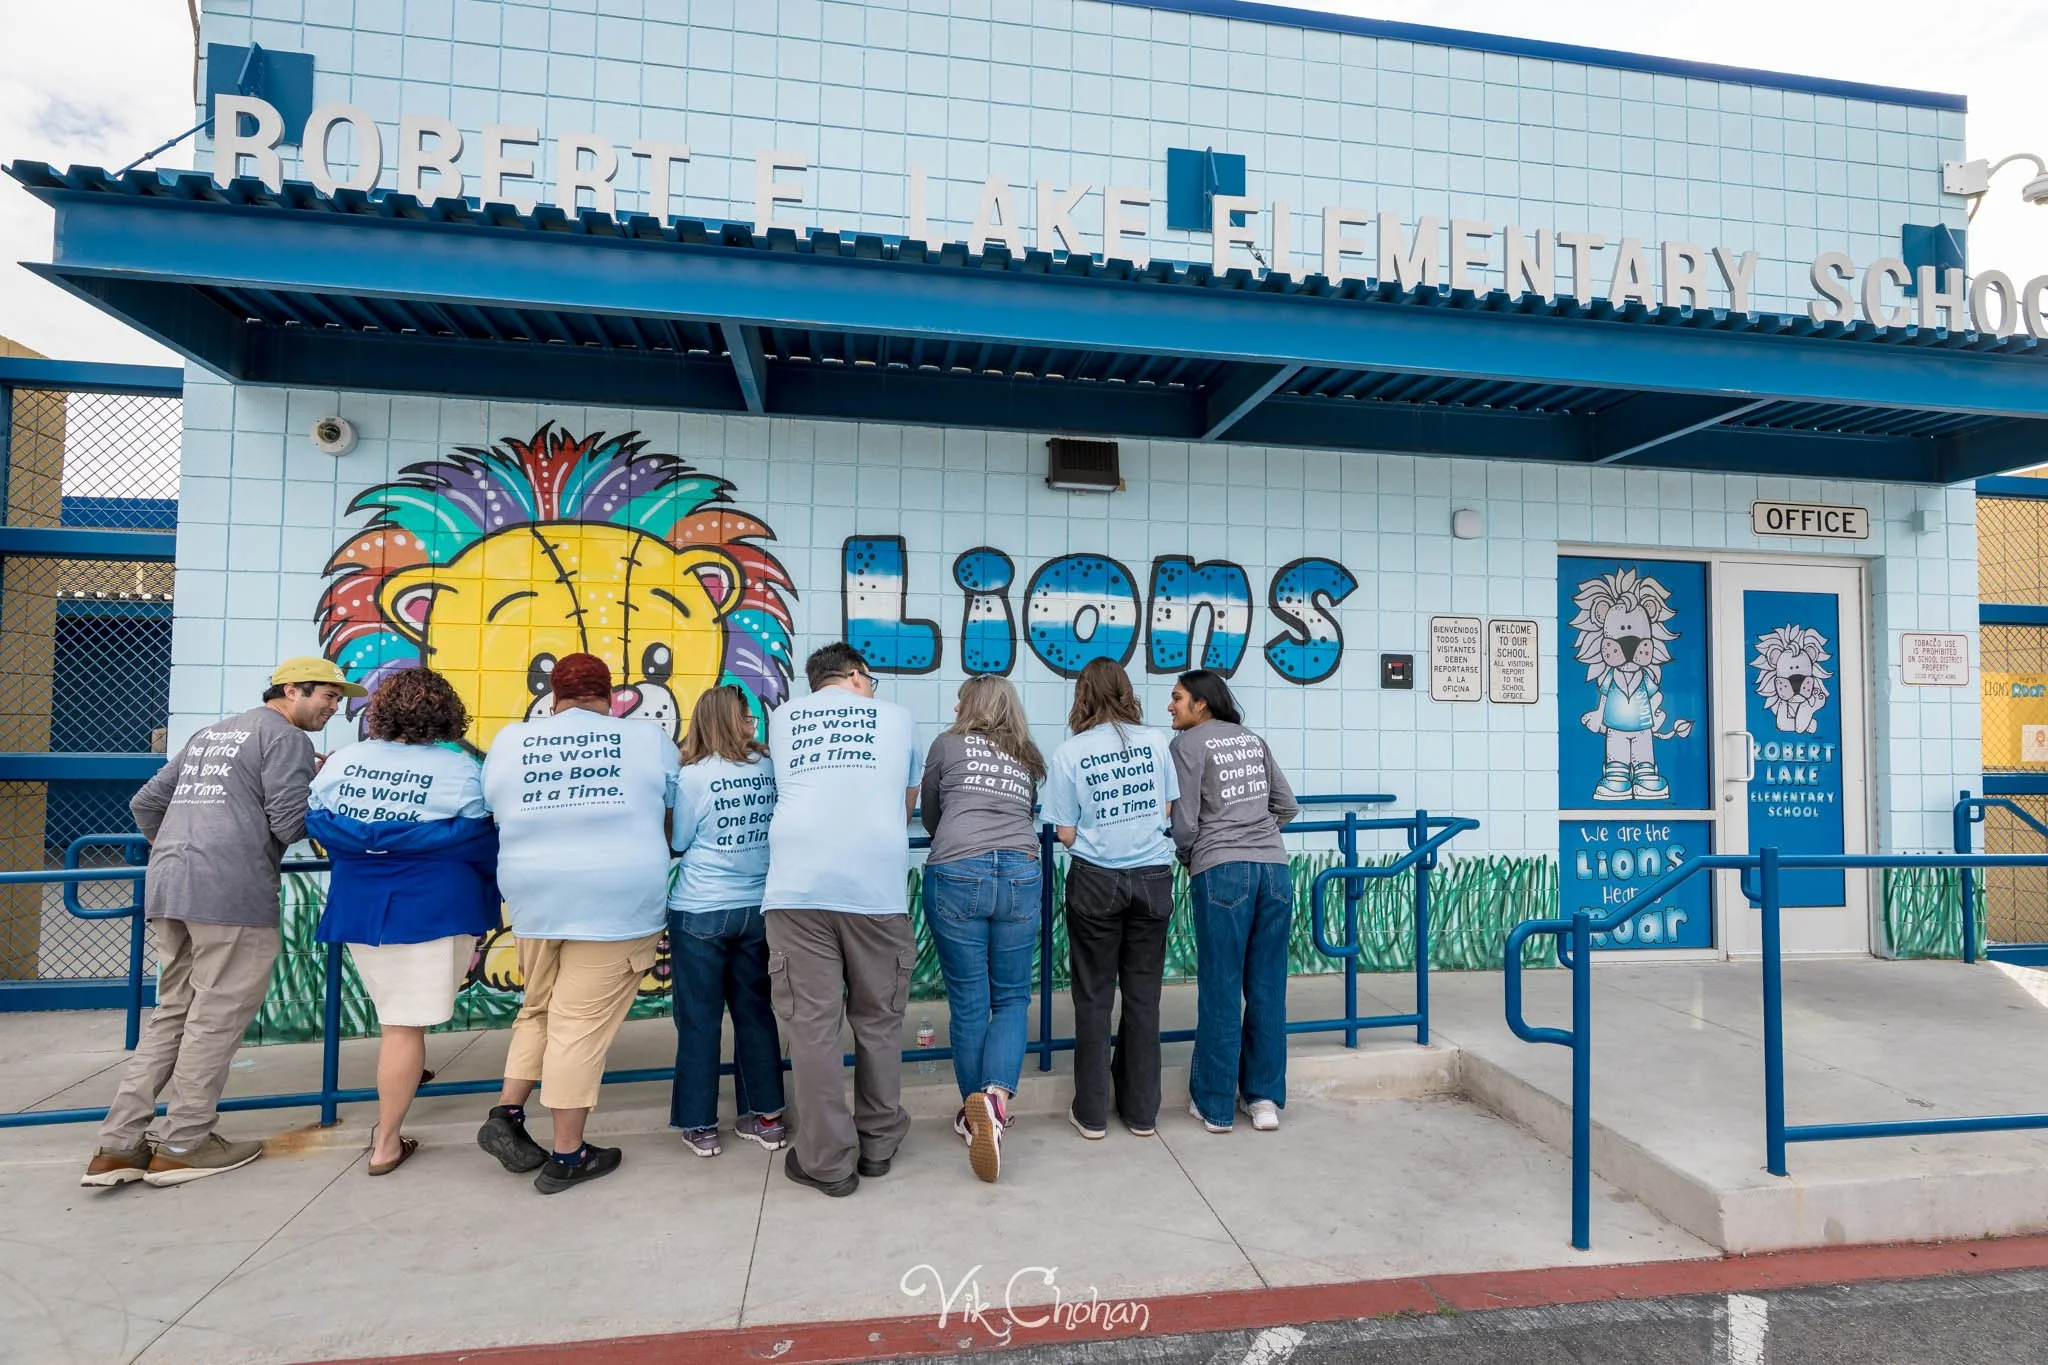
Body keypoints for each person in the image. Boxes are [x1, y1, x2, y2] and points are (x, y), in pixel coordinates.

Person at [81, 657, 359, 1188]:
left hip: (169, 886)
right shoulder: (286, 740)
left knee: (172, 1014)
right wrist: (324, 783)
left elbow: (146, 802)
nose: (335, 706)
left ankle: (118, 1145)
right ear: (292, 689)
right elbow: (289, 822)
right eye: (326, 694)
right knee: (214, 1019)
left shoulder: (214, 733)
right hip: (231, 893)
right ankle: (185, 1143)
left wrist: (184, 848)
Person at [474, 652, 678, 1193]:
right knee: (578, 1027)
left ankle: (508, 1113)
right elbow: (673, 811)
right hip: (615, 903)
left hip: (535, 899)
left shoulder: (511, 741)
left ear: (553, 697)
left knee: (539, 1007)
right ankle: (568, 1154)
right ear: (608, 697)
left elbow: (492, 806)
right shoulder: (647, 739)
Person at [306, 668, 499, 1176]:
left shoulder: (344, 762)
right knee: (403, 1027)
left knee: (396, 1016)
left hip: (362, 908)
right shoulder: (459, 770)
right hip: (435, 908)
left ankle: (396, 1113)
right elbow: (481, 838)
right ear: (446, 712)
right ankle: (386, 1141)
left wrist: (377, 843)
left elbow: (319, 820)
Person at [763, 642, 921, 1198]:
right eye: (869, 679)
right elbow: (904, 805)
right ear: (855, 676)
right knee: (878, 1020)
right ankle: (877, 1144)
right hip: (875, 888)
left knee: (813, 1027)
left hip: (797, 888)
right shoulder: (898, 719)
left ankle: (828, 1161)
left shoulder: (783, 719)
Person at [1041, 659, 1179, 1142]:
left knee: (1094, 998)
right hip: (1152, 877)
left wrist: (1097, 846)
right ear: (1126, 691)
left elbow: (1064, 832)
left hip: (1097, 880)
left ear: (1082, 696)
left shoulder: (1070, 752)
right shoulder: (1157, 741)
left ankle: (1093, 1113)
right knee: (1144, 998)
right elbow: (1166, 808)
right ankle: (1142, 1113)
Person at [919, 675, 1044, 1184]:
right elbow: (1029, 812)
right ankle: (994, 1102)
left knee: (970, 1001)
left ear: (971, 705)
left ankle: (978, 1117)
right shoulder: (1029, 756)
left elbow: (931, 814)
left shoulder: (947, 745)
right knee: (1012, 998)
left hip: (957, 871)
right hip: (1020, 871)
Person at [1167, 669, 1299, 1136]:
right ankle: (1263, 1101)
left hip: (1222, 870)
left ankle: (1217, 1106)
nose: (1171, 707)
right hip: (1275, 872)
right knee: (1267, 988)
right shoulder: (1252, 739)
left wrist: (1191, 852)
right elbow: (1287, 804)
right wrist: (1257, 835)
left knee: (1221, 987)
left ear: (1202, 704)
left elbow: (1184, 822)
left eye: (1178, 698)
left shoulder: (1187, 745)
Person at [667, 684, 786, 1158]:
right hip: (757, 908)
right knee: (756, 1012)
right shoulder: (770, 769)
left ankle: (701, 1125)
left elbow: (679, 841)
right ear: (736, 721)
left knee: (699, 1020)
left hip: (701, 909)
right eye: (748, 718)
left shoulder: (692, 776)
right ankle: (767, 1117)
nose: (753, 725)